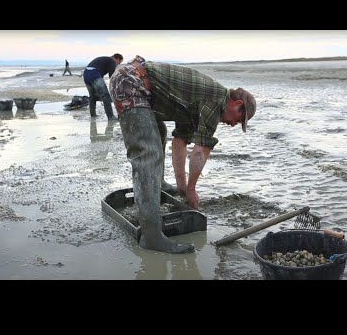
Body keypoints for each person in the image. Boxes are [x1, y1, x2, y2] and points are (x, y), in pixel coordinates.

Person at [109, 55, 256, 254]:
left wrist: (182, 188)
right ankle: (151, 236)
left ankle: (158, 185)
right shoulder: (216, 99)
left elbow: (180, 143)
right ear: (236, 103)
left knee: (158, 132)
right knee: (147, 153)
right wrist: (192, 190)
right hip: (130, 82)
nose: (233, 125)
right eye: (239, 119)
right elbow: (200, 151)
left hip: (136, 84)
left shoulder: (201, 105)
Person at [83, 54, 123, 120]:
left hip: (86, 74)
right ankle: (111, 116)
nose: (118, 65)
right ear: (117, 59)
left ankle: (93, 115)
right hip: (94, 74)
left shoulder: (105, 60)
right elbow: (112, 77)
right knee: (105, 95)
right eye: (119, 62)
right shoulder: (112, 61)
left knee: (92, 96)